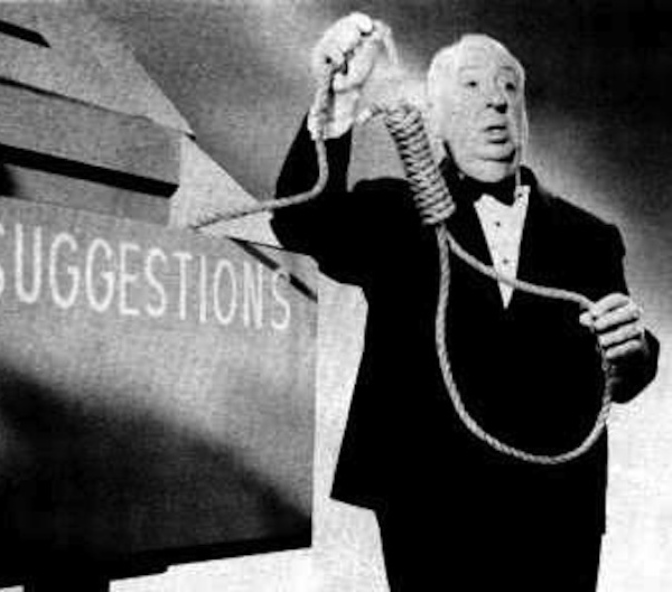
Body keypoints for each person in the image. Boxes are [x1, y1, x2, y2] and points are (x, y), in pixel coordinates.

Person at [272, 13, 660, 591]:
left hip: (557, 511)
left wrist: (635, 352)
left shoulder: (589, 237)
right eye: (472, 86)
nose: (497, 100)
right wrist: (339, 104)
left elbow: (622, 370)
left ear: (523, 115)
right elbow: (302, 221)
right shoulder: (395, 215)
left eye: (509, 87)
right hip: (429, 503)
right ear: (437, 118)